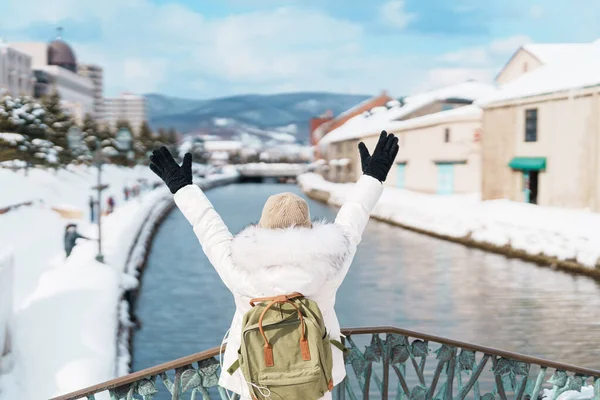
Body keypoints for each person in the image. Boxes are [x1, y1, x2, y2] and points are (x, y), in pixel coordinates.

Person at [149, 131, 399, 400]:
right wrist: (373, 176)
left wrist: (183, 187)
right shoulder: (329, 262)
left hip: (257, 383)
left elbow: (208, 228)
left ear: (261, 226)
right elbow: (353, 220)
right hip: (314, 379)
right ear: (309, 226)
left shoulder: (241, 266)